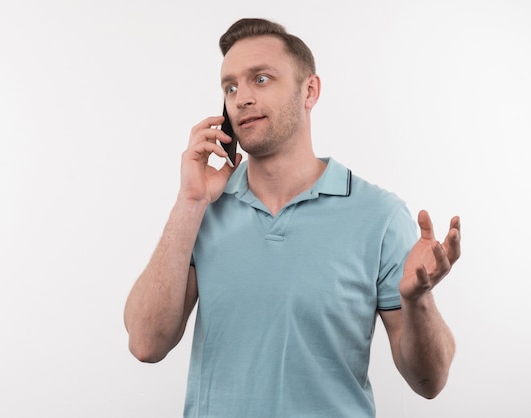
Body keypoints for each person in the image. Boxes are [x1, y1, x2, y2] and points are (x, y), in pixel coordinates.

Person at [124, 18, 461, 418]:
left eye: (261, 79)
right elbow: (146, 345)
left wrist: (417, 301)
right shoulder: (203, 211)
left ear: (309, 91)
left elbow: (430, 383)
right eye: (230, 87)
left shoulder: (381, 215)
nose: (241, 98)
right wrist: (190, 200)